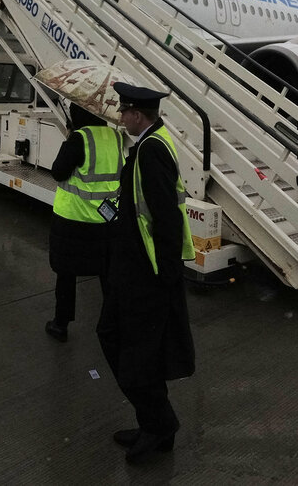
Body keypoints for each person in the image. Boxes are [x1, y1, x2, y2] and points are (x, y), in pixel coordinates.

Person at [97, 82, 196, 464]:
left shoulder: (151, 150)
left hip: (147, 271)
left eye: (124, 113)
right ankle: (154, 423)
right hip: (134, 265)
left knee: (131, 349)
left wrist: (167, 273)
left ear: (138, 115)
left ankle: (159, 425)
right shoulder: (149, 143)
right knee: (129, 345)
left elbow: (167, 217)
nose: (120, 119)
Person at [45, 103, 124, 342]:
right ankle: (113, 322)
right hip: (107, 218)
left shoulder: (79, 139)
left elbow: (58, 172)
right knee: (107, 273)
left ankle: (61, 324)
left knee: (66, 273)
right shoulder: (115, 136)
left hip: (74, 219)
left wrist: (69, 138)